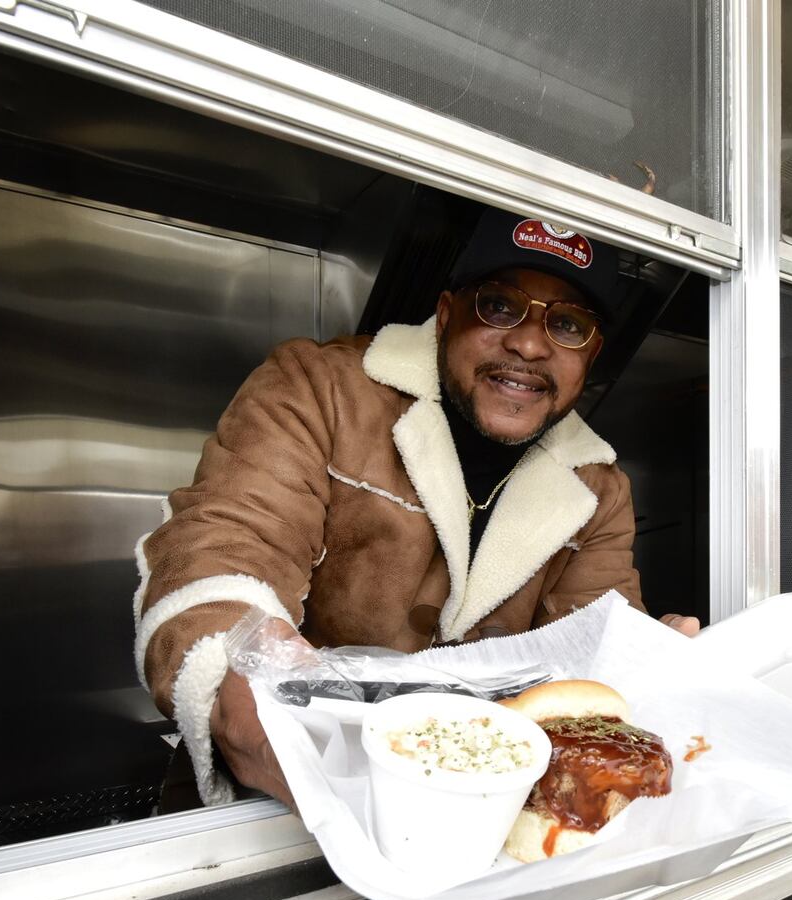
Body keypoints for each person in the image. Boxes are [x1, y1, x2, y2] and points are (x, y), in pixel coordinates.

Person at [134, 210, 700, 808]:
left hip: (482, 799)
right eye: (500, 307)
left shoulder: (600, 489)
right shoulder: (317, 388)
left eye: (566, 325)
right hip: (281, 789)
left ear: (591, 357)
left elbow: (590, 657)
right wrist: (233, 678)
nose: (529, 344)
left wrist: (644, 662)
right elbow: (224, 545)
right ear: (447, 315)